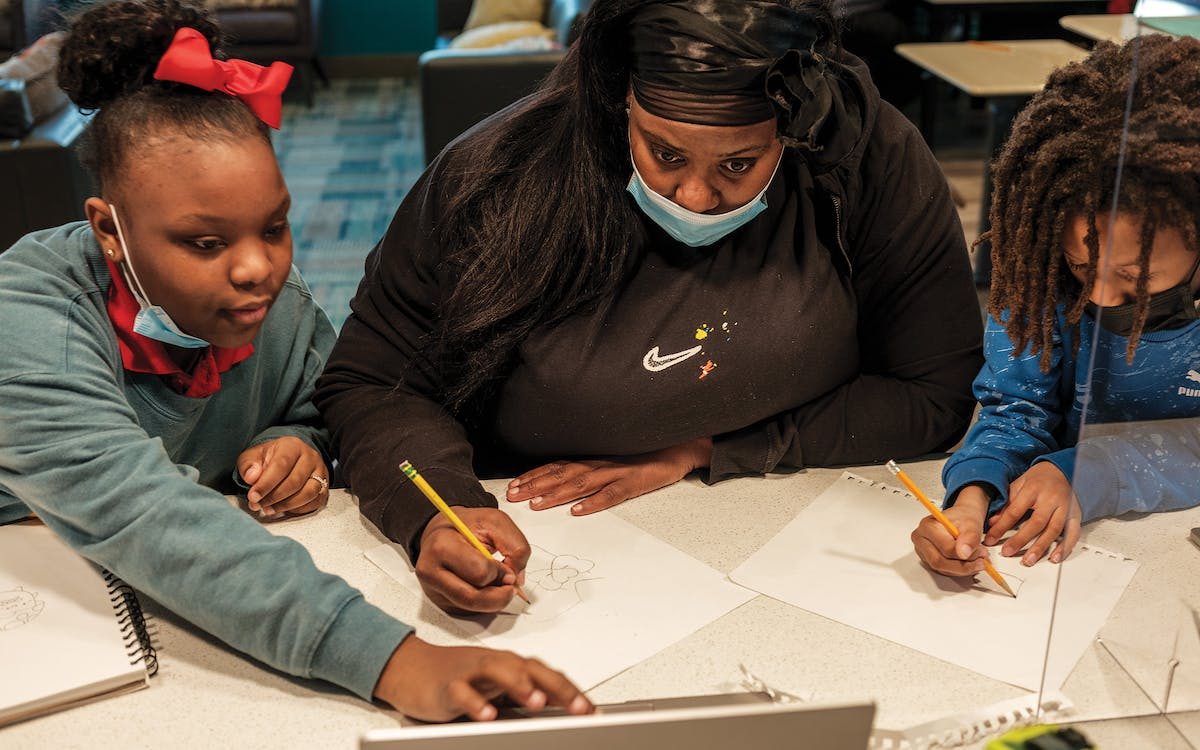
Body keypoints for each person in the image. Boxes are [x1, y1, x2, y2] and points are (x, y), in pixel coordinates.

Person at [0, 0, 591, 722]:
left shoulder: (267, 301)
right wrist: (396, 661)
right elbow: (140, 509)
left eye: (274, 227)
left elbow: (317, 402)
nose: (258, 270)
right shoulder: (27, 317)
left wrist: (297, 443)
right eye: (205, 243)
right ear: (109, 231)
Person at [317, 0, 982, 615]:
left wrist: (706, 449)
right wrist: (442, 511)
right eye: (665, 154)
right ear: (622, 99)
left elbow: (932, 390)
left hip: (790, 542)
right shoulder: (497, 176)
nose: (694, 196)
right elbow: (374, 382)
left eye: (738, 165)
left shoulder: (867, 161)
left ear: (794, 126)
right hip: (541, 534)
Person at [911, 35, 1200, 579]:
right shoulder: (1039, 278)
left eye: (1135, 280)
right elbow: (1015, 407)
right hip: (1065, 537)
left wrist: (1084, 471)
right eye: (1080, 267)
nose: (1099, 299)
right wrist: (975, 490)